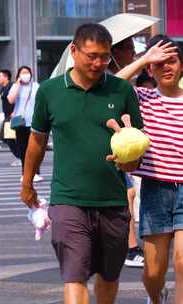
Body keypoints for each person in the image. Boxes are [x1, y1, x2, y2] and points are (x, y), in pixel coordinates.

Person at [21, 23, 144, 304]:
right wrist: (26, 184)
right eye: (92, 56)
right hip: (68, 200)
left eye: (104, 56)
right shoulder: (50, 91)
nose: (99, 63)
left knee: (109, 276)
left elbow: (138, 148)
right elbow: (36, 142)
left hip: (112, 202)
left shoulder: (122, 91)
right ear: (74, 51)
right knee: (74, 276)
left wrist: (129, 161)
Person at [116, 34, 182, 304]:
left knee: (181, 261)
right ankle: (156, 297)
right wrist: (144, 58)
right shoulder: (142, 97)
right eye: (160, 63)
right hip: (156, 190)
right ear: (150, 69)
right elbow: (108, 85)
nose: (166, 67)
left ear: (182, 66)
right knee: (153, 272)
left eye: (173, 61)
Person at [108, 36, 146, 268]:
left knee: (129, 195)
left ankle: (129, 247)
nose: (134, 54)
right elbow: (115, 84)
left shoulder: (123, 83)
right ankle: (129, 248)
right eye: (130, 50)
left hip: (125, 150)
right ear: (116, 53)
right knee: (128, 195)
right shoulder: (107, 82)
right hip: (111, 151)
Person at [7, 66, 42, 182]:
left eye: (27, 72)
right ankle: (24, 173)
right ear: (18, 75)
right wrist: (17, 85)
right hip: (20, 122)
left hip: (34, 121)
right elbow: (11, 100)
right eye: (23, 73)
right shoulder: (15, 86)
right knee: (23, 148)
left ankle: (36, 172)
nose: (25, 74)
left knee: (34, 148)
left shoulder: (36, 86)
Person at [0, 69, 21, 167]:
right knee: (6, 137)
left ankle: (21, 158)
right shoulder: (3, 88)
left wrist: (15, 112)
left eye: (0, 76)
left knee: (11, 138)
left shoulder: (12, 86)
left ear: (6, 77)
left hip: (13, 116)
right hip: (7, 116)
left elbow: (17, 99)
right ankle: (20, 157)